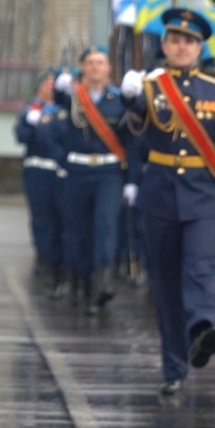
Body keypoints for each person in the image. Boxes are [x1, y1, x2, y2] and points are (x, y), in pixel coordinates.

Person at [120, 8, 215, 396]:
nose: (181, 47)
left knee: (200, 266)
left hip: (204, 194)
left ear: (199, 48)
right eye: (175, 40)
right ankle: (174, 366)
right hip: (160, 193)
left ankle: (203, 328)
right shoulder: (151, 85)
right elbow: (137, 128)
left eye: (189, 42)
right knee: (166, 283)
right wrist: (131, 98)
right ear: (165, 45)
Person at [52, 46, 133, 314]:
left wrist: (132, 180)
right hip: (78, 171)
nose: (96, 67)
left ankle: (102, 282)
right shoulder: (73, 97)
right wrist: (61, 87)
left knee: (105, 224)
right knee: (79, 229)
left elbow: (131, 141)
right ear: (83, 67)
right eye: (90, 62)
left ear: (109, 68)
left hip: (108, 172)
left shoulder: (119, 99)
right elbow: (57, 108)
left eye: (101, 62)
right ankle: (81, 280)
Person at [15, 69, 68, 298]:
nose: (49, 87)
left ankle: (57, 260)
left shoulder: (64, 110)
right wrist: (30, 123)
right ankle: (44, 256)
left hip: (58, 168)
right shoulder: (31, 109)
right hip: (37, 168)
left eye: (53, 83)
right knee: (41, 218)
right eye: (45, 83)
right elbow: (21, 136)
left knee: (60, 218)